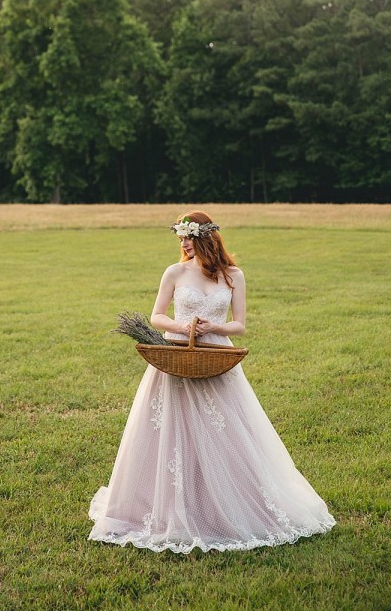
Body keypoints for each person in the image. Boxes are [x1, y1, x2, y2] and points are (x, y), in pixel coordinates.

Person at [88, 211, 336, 553]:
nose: (183, 244)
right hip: (176, 354)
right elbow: (157, 315)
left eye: (187, 237)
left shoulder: (233, 276)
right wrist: (184, 328)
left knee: (224, 432)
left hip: (218, 359)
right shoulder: (174, 272)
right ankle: (169, 506)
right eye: (180, 238)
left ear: (207, 237)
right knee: (174, 431)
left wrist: (213, 328)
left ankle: (226, 503)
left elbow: (239, 325)